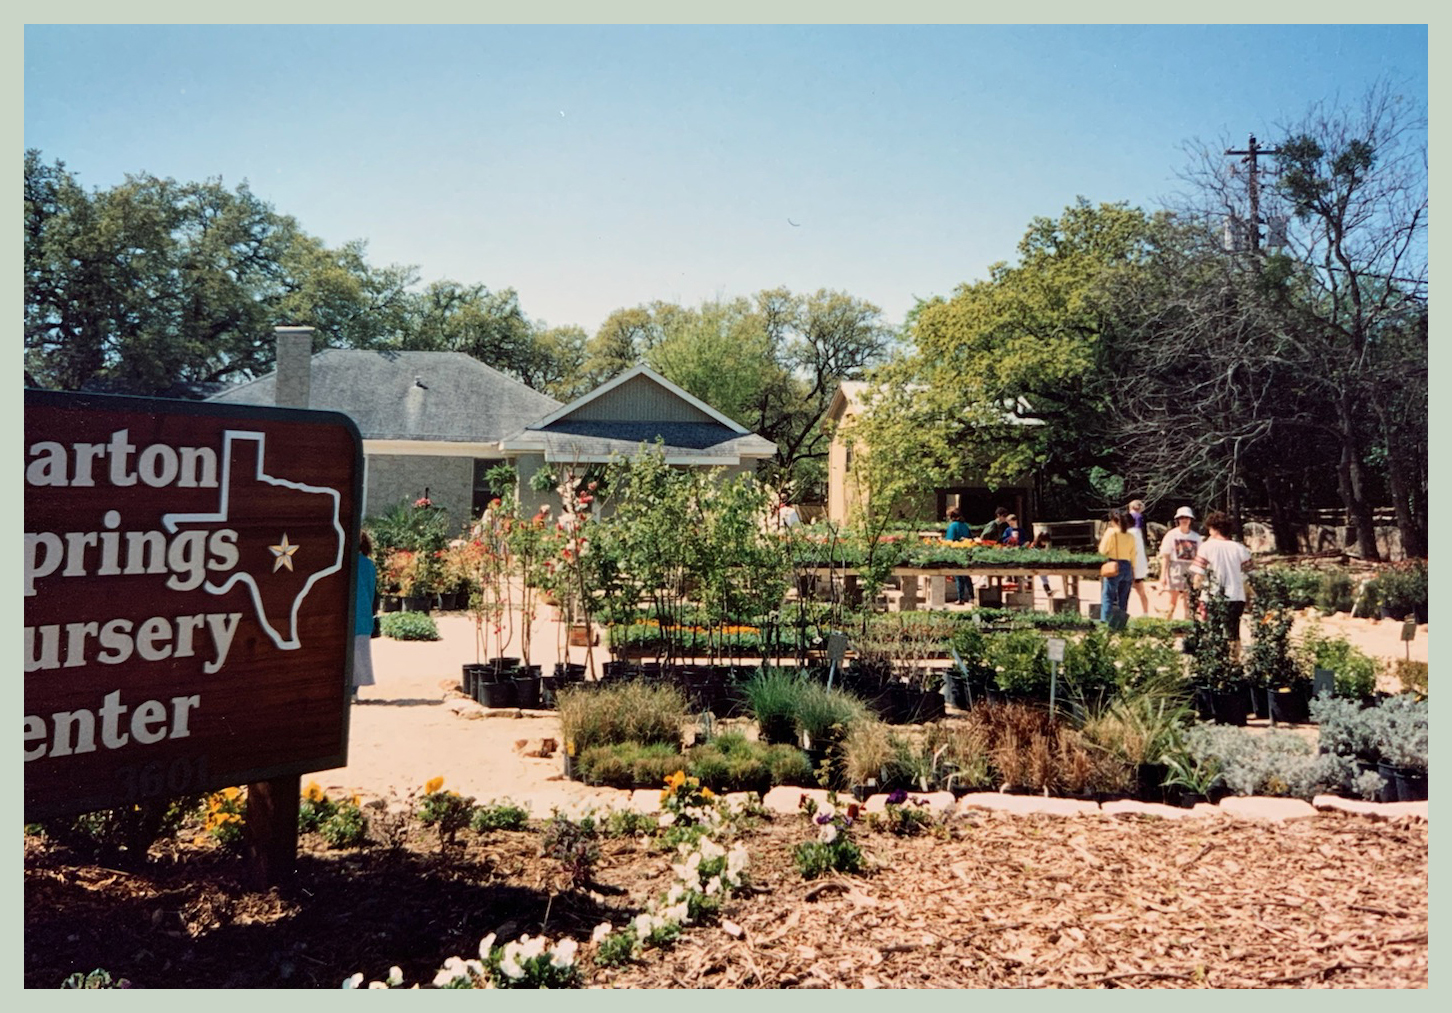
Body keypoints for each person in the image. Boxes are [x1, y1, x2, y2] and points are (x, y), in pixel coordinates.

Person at [1190, 510, 1255, 661]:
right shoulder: (1239, 548)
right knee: (1233, 632)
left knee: (1214, 631)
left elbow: (1198, 575)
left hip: (1212, 596)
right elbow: (1251, 574)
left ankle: (1217, 662)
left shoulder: (1206, 547)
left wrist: (1195, 592)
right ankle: (1234, 662)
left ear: (1213, 528)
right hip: (1236, 595)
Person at [1158, 506, 1203, 620]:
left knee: (1189, 600)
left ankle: (1187, 625)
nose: (1184, 520)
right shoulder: (1171, 535)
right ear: (1177, 519)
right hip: (1175, 567)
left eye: (1187, 517)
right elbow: (1166, 556)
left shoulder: (1196, 537)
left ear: (1191, 519)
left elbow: (1200, 556)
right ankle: (1168, 622)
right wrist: (1163, 576)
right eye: (1182, 517)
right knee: (1172, 599)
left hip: (1191, 568)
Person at [1097, 510, 1137, 624]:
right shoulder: (1131, 536)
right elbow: (1133, 554)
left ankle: (1105, 623)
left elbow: (1102, 550)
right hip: (1127, 566)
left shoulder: (1111, 532)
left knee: (1108, 596)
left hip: (1114, 565)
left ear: (1113, 521)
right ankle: (1120, 625)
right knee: (1123, 599)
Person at [352, 531, 379, 702]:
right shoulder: (369, 565)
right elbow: (372, 592)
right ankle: (354, 691)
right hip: (362, 616)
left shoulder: (343, 563)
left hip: (346, 618)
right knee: (360, 655)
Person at [1125, 499, 1151, 615]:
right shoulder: (1138, 521)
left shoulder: (1127, 523)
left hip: (1128, 564)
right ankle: (1145, 612)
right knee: (1141, 591)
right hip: (1137, 563)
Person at [944, 507, 973, 604]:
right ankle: (971, 596)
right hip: (966, 552)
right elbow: (970, 538)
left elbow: (949, 540)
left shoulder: (952, 526)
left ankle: (960, 598)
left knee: (958, 576)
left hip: (956, 552)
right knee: (966, 575)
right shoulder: (965, 525)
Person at [1029, 531, 1055, 598]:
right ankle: (1030, 587)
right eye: (1045, 541)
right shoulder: (1034, 545)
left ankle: (1047, 589)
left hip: (1040, 562)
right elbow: (1033, 554)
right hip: (1032, 562)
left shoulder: (1043, 545)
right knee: (1040, 574)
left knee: (1044, 575)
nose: (1045, 543)